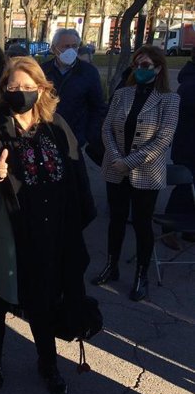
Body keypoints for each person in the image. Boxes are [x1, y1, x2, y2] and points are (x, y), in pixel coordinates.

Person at [0, 56, 95, 394]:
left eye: (28, 87)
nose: (21, 93)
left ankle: (48, 363)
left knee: (43, 301)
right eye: (14, 87)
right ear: (3, 90)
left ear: (42, 89)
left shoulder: (56, 126)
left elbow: (75, 175)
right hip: (7, 231)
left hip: (50, 232)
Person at [92, 45, 180, 301]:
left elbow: (164, 138)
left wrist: (130, 161)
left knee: (142, 224)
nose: (139, 70)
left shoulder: (169, 99)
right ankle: (112, 265)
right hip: (116, 168)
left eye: (145, 66)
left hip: (145, 171)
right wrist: (117, 158)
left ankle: (142, 275)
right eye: (136, 65)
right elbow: (106, 128)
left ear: (158, 68)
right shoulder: (122, 94)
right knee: (116, 220)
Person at [41, 28, 105, 147]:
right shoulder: (43, 71)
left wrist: (88, 135)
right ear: (55, 49)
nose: (70, 50)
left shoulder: (88, 72)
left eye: (74, 46)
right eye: (66, 46)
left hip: (77, 138)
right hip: (47, 134)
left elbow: (98, 106)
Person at [164, 51, 195, 245]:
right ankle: (169, 229)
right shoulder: (190, 85)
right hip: (188, 146)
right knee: (184, 188)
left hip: (188, 144)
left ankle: (188, 228)